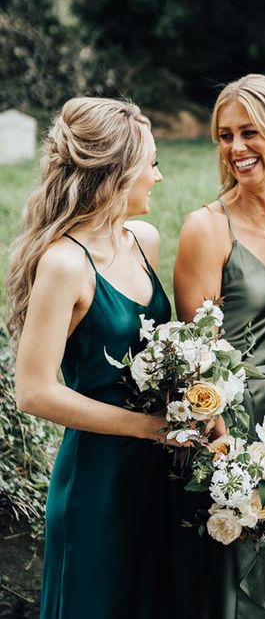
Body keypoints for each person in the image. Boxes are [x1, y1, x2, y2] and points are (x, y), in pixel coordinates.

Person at [9, 97, 174, 619]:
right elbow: (33, 390)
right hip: (98, 479)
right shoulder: (63, 263)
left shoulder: (143, 240)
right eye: (150, 162)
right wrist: (145, 427)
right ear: (119, 171)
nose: (159, 175)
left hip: (157, 472)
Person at [172, 73, 265, 619]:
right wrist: (226, 452)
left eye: (249, 132)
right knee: (236, 576)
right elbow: (195, 360)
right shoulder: (206, 228)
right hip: (228, 420)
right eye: (225, 136)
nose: (236, 148)